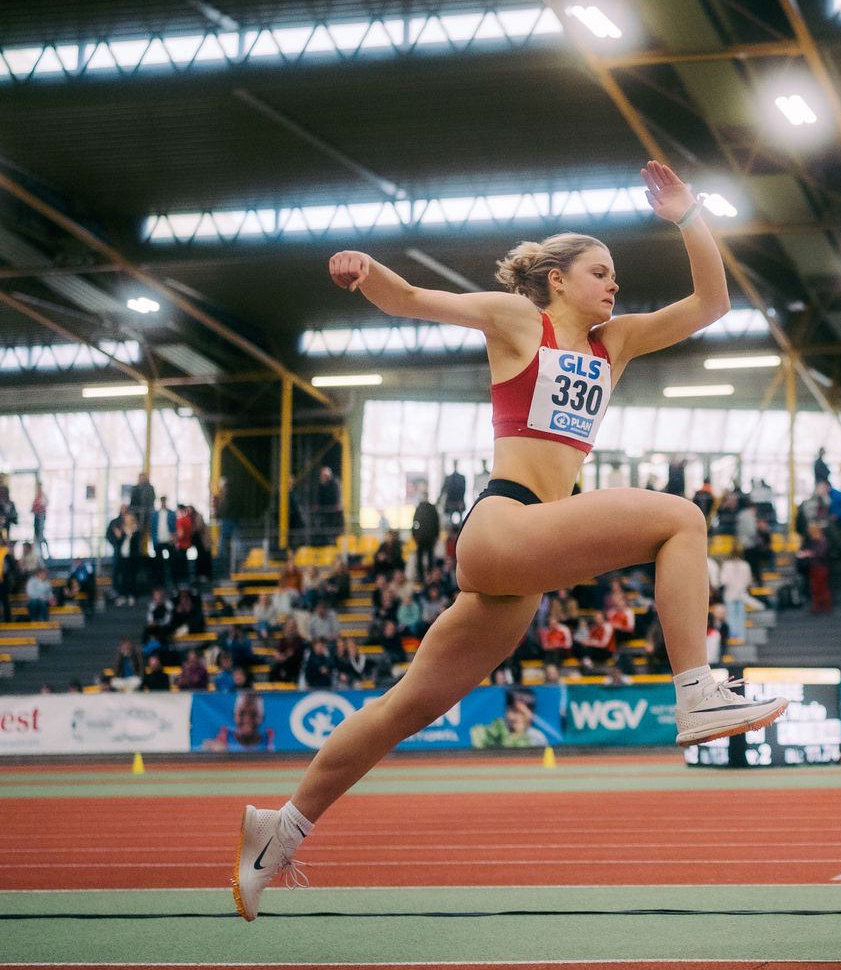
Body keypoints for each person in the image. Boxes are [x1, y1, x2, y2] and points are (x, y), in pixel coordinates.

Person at [232, 165, 787, 920]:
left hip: (520, 565)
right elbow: (412, 299)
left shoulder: (614, 344)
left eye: (616, 277)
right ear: (556, 281)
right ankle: (698, 694)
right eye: (601, 273)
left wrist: (689, 216)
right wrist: (365, 269)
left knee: (404, 709)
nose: (613, 287)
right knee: (681, 519)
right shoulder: (516, 320)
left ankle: (278, 831)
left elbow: (713, 302)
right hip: (504, 520)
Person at [471, 690, 547, 749]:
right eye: (513, 711)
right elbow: (477, 737)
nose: (516, 717)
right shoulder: (497, 730)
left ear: (530, 715)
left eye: (522, 713)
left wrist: (520, 734)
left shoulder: (537, 737)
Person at [411, 492, 441, 582]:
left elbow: (436, 523)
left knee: (429, 557)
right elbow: (415, 523)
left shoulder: (426, 508)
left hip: (426, 538)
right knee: (422, 557)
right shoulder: (424, 508)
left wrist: (415, 534)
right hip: (424, 538)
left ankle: (429, 575)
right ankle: (422, 575)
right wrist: (415, 534)